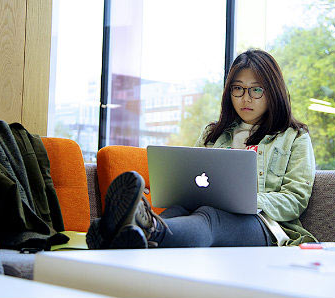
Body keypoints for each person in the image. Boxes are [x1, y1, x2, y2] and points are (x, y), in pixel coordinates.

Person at [86, 49, 317, 249]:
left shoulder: (294, 137)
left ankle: (144, 230)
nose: (245, 98)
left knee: (210, 216)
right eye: (238, 89)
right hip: (206, 210)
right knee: (178, 209)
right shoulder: (213, 133)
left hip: (267, 225)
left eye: (256, 90)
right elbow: (191, 181)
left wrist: (248, 201)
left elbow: (295, 199)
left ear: (272, 91)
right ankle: (123, 235)